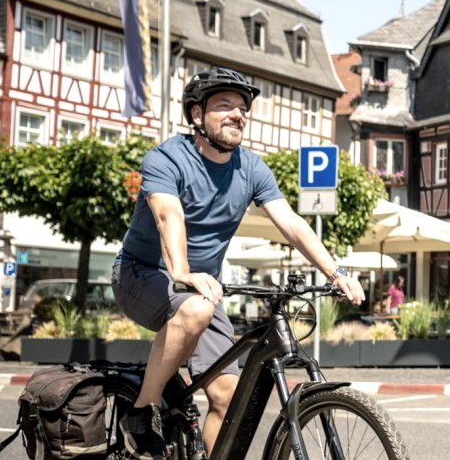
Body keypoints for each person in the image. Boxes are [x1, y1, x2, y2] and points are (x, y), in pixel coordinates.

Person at [111, 68, 365, 459]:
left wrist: (336, 272)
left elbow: (293, 224)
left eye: (242, 108)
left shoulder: (250, 167)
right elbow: (168, 216)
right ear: (197, 116)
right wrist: (181, 271)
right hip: (141, 274)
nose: (238, 114)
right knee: (196, 306)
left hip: (203, 290)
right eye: (224, 105)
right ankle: (142, 411)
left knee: (227, 396)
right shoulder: (165, 158)